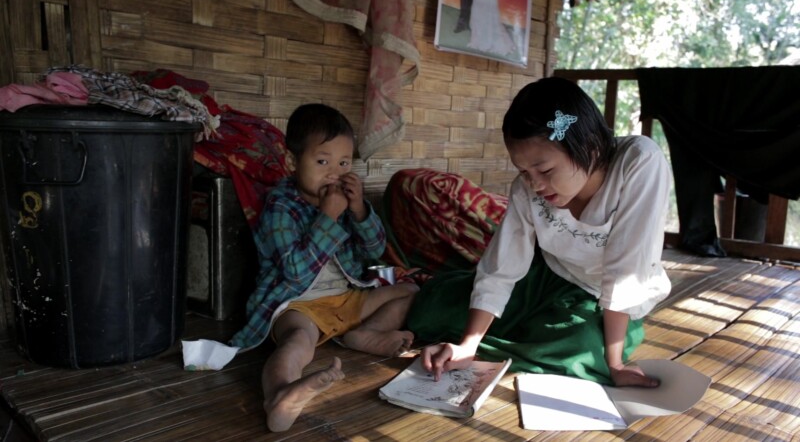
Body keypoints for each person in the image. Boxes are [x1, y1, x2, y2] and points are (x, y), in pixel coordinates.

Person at [409, 76, 671, 388]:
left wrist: (615, 364)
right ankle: (425, 314)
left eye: (545, 171)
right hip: (549, 275)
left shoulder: (638, 161)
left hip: (604, 299)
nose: (534, 184)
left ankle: (497, 351)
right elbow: (501, 267)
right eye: (523, 171)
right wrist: (468, 343)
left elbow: (626, 269)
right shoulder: (528, 188)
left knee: (580, 351)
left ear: (589, 147)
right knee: (440, 309)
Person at [228, 103, 418, 432]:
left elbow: (375, 251)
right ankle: (280, 395)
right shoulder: (280, 207)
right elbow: (296, 273)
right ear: (292, 162)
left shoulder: (343, 200)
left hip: (346, 297)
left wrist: (359, 211)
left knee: (410, 290)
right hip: (299, 303)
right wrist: (328, 216)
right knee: (297, 343)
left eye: (344, 163)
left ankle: (363, 334)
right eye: (322, 161)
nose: (334, 172)